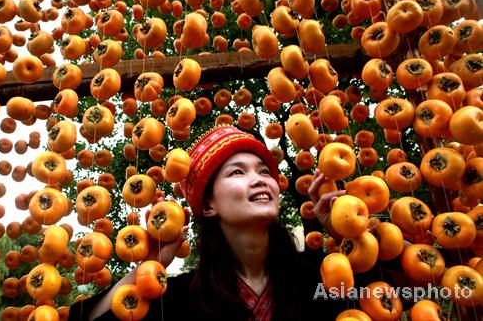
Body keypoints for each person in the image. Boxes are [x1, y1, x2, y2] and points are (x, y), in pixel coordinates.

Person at [69, 125, 352, 320]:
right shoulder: (183, 297)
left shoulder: (317, 278)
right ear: (208, 205)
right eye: (238, 172)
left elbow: (388, 287)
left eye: (264, 171)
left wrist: (344, 232)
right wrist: (148, 268)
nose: (259, 180)